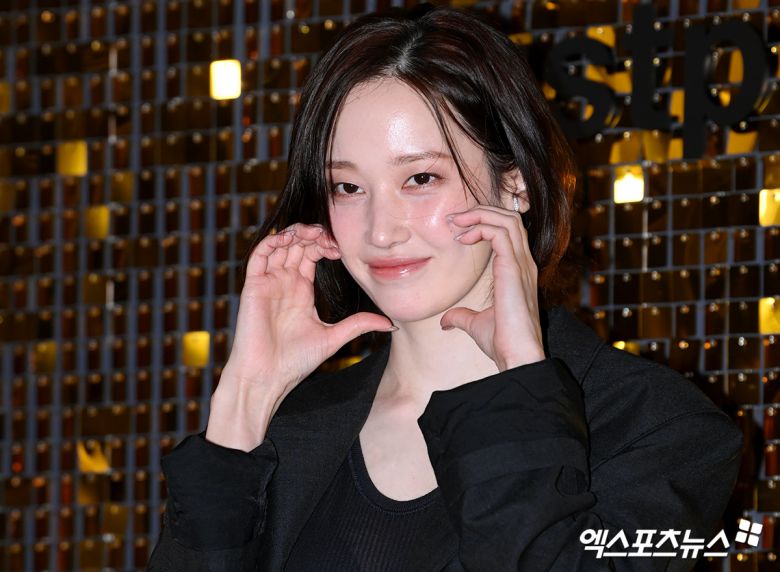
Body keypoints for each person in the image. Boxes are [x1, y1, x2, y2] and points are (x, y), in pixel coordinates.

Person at [147, 6, 742, 571]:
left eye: (421, 178)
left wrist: (519, 381)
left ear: (515, 185)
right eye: (348, 188)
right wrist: (246, 398)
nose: (381, 231)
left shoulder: (662, 429)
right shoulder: (283, 434)